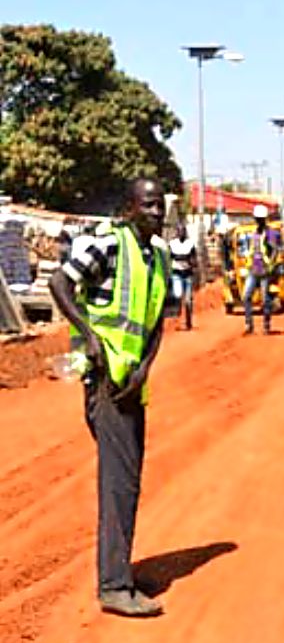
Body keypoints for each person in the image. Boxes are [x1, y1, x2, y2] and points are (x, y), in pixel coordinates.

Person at [48, 178, 170, 617]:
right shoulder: (108, 245)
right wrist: (89, 336)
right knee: (119, 483)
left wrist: (143, 368)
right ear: (130, 209)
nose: (157, 213)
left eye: (161, 206)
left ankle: (121, 572)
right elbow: (60, 284)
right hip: (102, 381)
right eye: (149, 205)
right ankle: (114, 585)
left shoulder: (159, 258)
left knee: (129, 481)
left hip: (132, 385)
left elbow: (157, 325)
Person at [243, 205, 277, 335]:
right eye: (257, 218)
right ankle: (248, 324)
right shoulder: (254, 233)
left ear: (265, 219)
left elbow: (275, 249)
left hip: (264, 271)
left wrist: (270, 265)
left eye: (261, 219)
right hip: (253, 269)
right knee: (246, 296)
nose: (259, 221)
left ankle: (266, 324)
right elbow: (251, 249)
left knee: (265, 299)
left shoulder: (270, 233)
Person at [168, 222, 198, 331]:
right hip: (176, 273)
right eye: (179, 231)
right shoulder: (172, 244)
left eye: (183, 231)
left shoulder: (190, 244)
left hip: (187, 274)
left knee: (188, 300)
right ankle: (177, 317)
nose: (181, 233)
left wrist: (191, 262)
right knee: (177, 294)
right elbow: (169, 257)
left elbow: (194, 258)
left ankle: (188, 322)